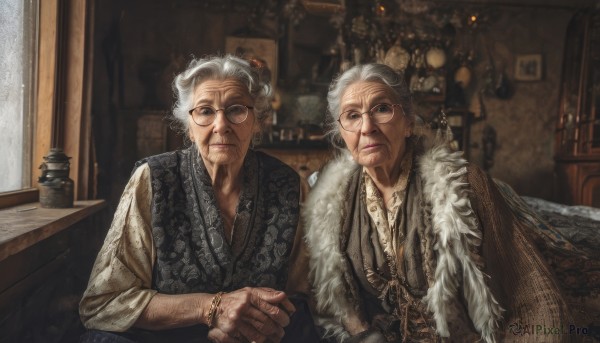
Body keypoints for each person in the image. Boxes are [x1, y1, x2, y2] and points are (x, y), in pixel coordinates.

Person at [302, 63, 573, 342]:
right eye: (352, 115)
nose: (367, 127)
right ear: (341, 132)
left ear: (408, 122)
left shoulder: (464, 184)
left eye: (382, 109)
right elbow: (328, 301)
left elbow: (531, 292)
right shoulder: (334, 201)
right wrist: (362, 334)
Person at [79, 55, 317, 343]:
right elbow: (103, 303)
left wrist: (244, 327)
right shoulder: (154, 179)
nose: (221, 125)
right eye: (205, 111)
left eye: (237, 110)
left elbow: (302, 296)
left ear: (256, 123)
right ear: (189, 127)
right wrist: (212, 308)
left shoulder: (289, 185)